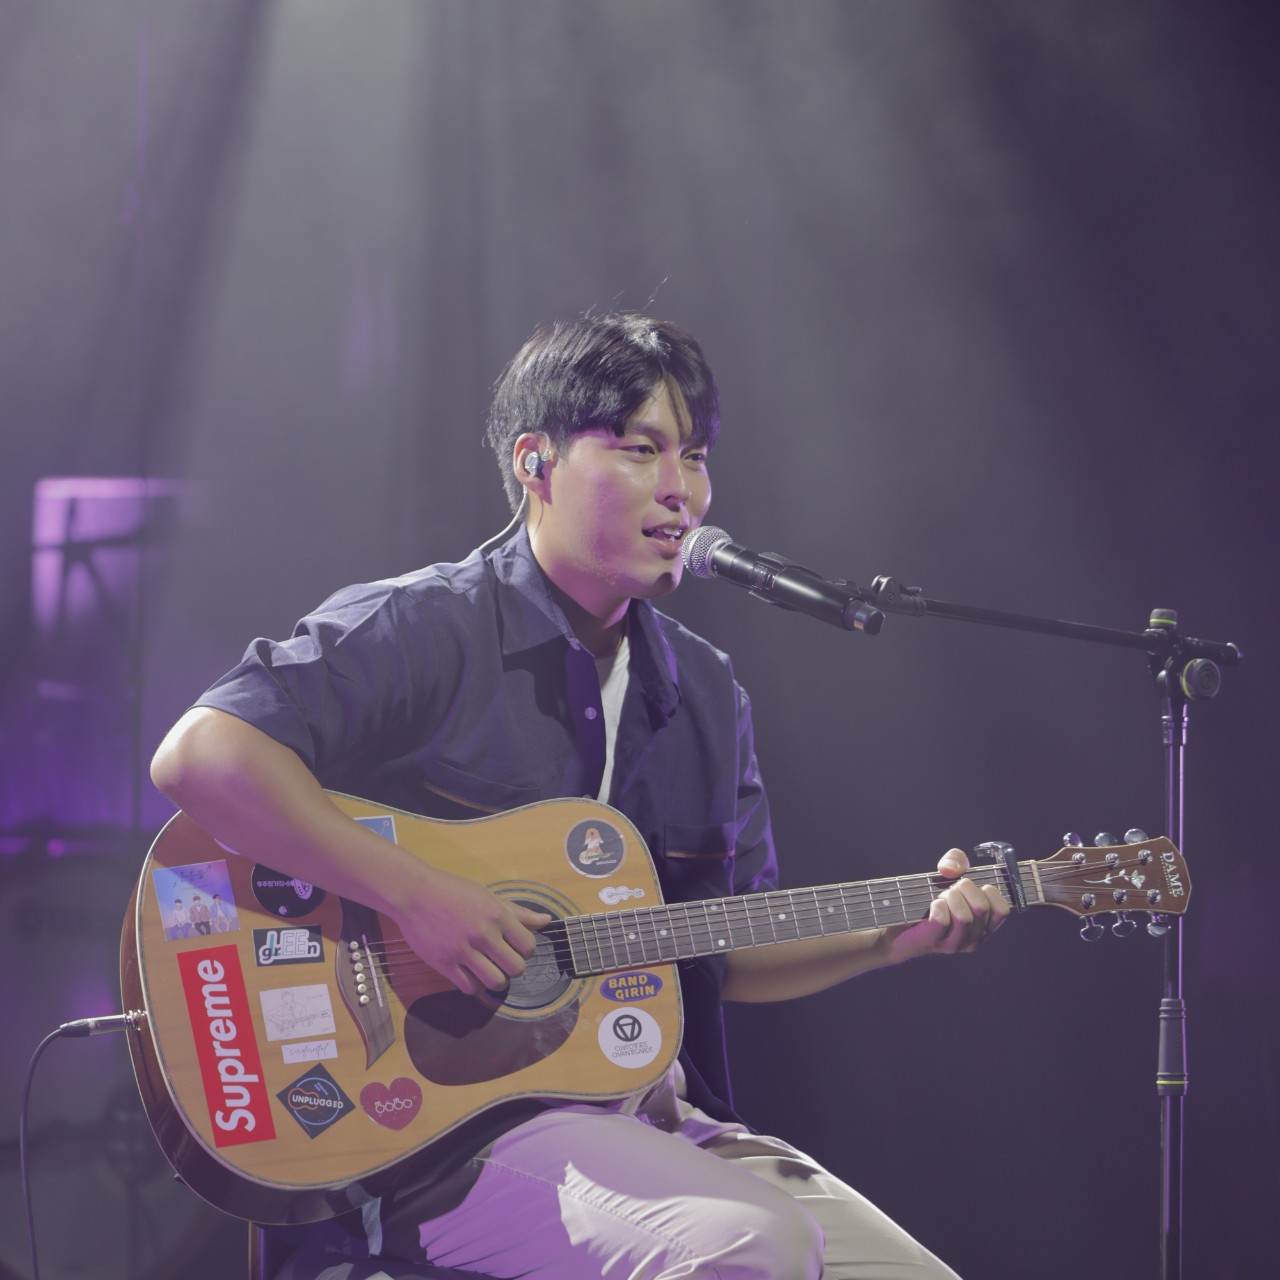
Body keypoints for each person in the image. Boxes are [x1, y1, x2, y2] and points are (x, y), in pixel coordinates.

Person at [150, 313, 1008, 1280]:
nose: (682, 489)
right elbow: (201, 757)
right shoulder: (427, 626)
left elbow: (721, 945)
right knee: (750, 1244)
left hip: (647, 1113)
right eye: (641, 450)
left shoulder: (705, 692)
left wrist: (895, 934)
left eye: (695, 455)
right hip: (436, 1136)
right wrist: (416, 895)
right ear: (536, 463)